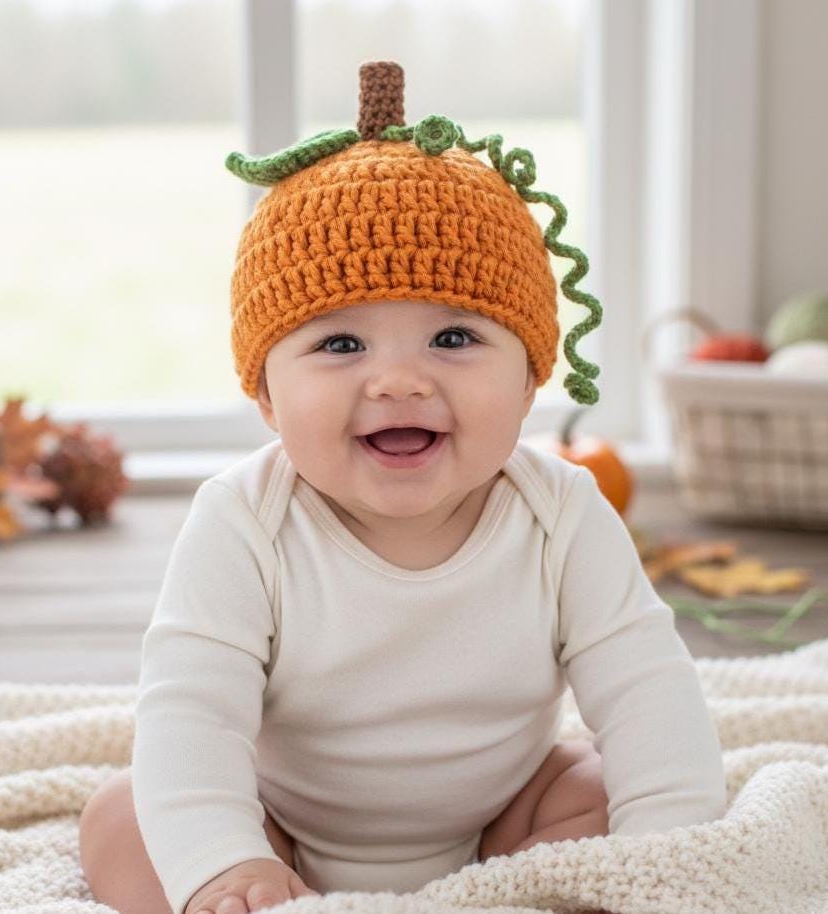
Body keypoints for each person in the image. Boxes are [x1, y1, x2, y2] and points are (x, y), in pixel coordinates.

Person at [78, 62, 726, 914]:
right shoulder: (242, 521)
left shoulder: (562, 513)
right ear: (266, 395)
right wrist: (224, 860)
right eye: (342, 346)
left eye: (453, 337)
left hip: (504, 817)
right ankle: (262, 895)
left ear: (531, 381)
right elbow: (192, 712)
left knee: (618, 786)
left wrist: (661, 853)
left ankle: (522, 891)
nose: (398, 382)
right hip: (285, 826)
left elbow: (648, 689)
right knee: (126, 819)